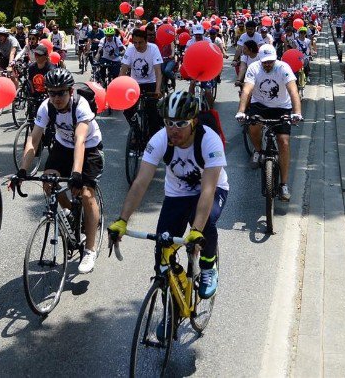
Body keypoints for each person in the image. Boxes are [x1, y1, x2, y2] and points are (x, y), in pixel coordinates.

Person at [108, 91, 228, 299]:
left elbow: (208, 190)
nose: (174, 129)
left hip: (212, 189)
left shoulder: (209, 140)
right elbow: (140, 183)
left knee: (203, 222)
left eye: (181, 123)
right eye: (169, 122)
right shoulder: (159, 140)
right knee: (162, 252)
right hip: (177, 195)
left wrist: (196, 230)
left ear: (194, 122)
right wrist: (122, 220)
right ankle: (170, 312)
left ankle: (209, 266)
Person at [16, 68, 104, 273]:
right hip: (63, 146)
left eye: (61, 93)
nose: (56, 98)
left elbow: (80, 140)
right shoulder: (46, 107)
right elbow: (34, 138)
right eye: (51, 93)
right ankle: (71, 211)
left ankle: (89, 249)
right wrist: (22, 170)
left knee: (86, 193)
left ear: (71, 91)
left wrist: (76, 175)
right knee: (48, 183)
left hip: (89, 148)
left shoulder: (80, 105)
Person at [235, 45, 302, 200]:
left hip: (282, 107)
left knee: (283, 142)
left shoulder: (283, 68)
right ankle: (258, 150)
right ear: (260, 59)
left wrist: (297, 113)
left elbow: (293, 90)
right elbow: (247, 90)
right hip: (260, 105)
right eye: (265, 62)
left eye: (270, 62)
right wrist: (241, 111)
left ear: (275, 58)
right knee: (253, 125)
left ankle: (283, 185)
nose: (267, 65)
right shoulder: (253, 68)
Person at [119, 27, 164, 140]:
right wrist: (119, 88)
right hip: (134, 84)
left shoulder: (153, 48)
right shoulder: (130, 49)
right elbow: (123, 70)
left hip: (151, 83)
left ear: (146, 41)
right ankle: (136, 132)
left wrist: (157, 89)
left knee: (152, 113)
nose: (137, 45)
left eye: (140, 43)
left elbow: (158, 72)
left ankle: (153, 140)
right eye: (135, 43)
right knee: (128, 111)